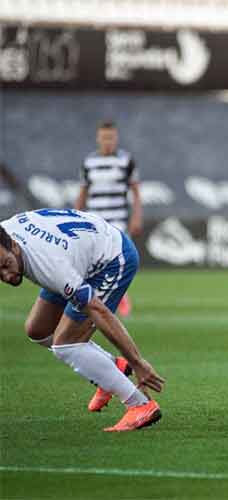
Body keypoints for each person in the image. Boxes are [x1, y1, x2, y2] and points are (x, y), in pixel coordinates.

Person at [0, 208, 164, 431]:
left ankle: (140, 405)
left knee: (65, 344)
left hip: (112, 259)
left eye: (6, 265)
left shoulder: (49, 266)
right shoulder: (6, 235)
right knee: (38, 329)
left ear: (15, 246)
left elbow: (100, 312)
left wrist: (137, 362)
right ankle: (113, 366)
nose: (7, 277)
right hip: (77, 256)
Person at [75, 121, 142, 317]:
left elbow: (136, 191)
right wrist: (76, 215)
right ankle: (94, 298)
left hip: (118, 220)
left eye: (111, 137)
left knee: (118, 260)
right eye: (104, 137)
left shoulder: (126, 161)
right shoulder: (89, 163)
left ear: (116, 138)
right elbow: (83, 192)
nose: (107, 142)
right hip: (95, 220)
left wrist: (137, 216)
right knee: (93, 263)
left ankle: (121, 297)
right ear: (98, 138)